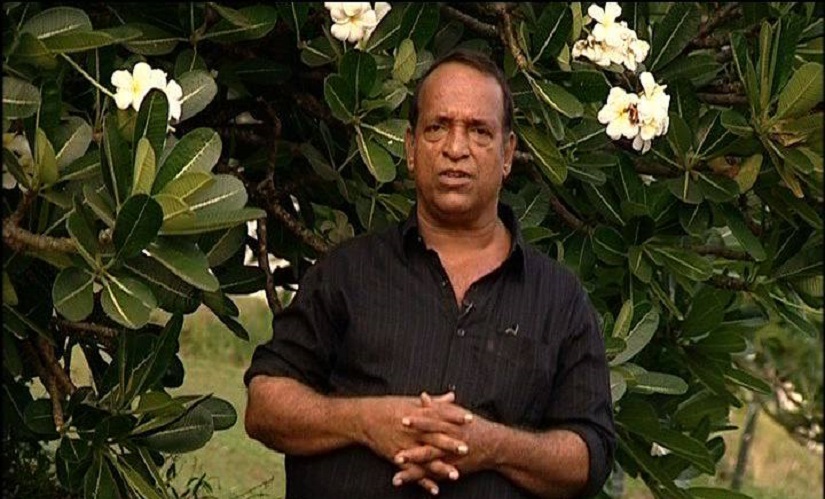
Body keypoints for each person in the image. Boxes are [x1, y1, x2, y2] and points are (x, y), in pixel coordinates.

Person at [244, 48, 615, 499]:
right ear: (410, 148)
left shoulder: (559, 299)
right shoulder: (347, 272)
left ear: (508, 154)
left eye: (479, 131)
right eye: (438, 127)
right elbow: (265, 406)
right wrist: (365, 421)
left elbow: (589, 456)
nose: (456, 149)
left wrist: (493, 445)